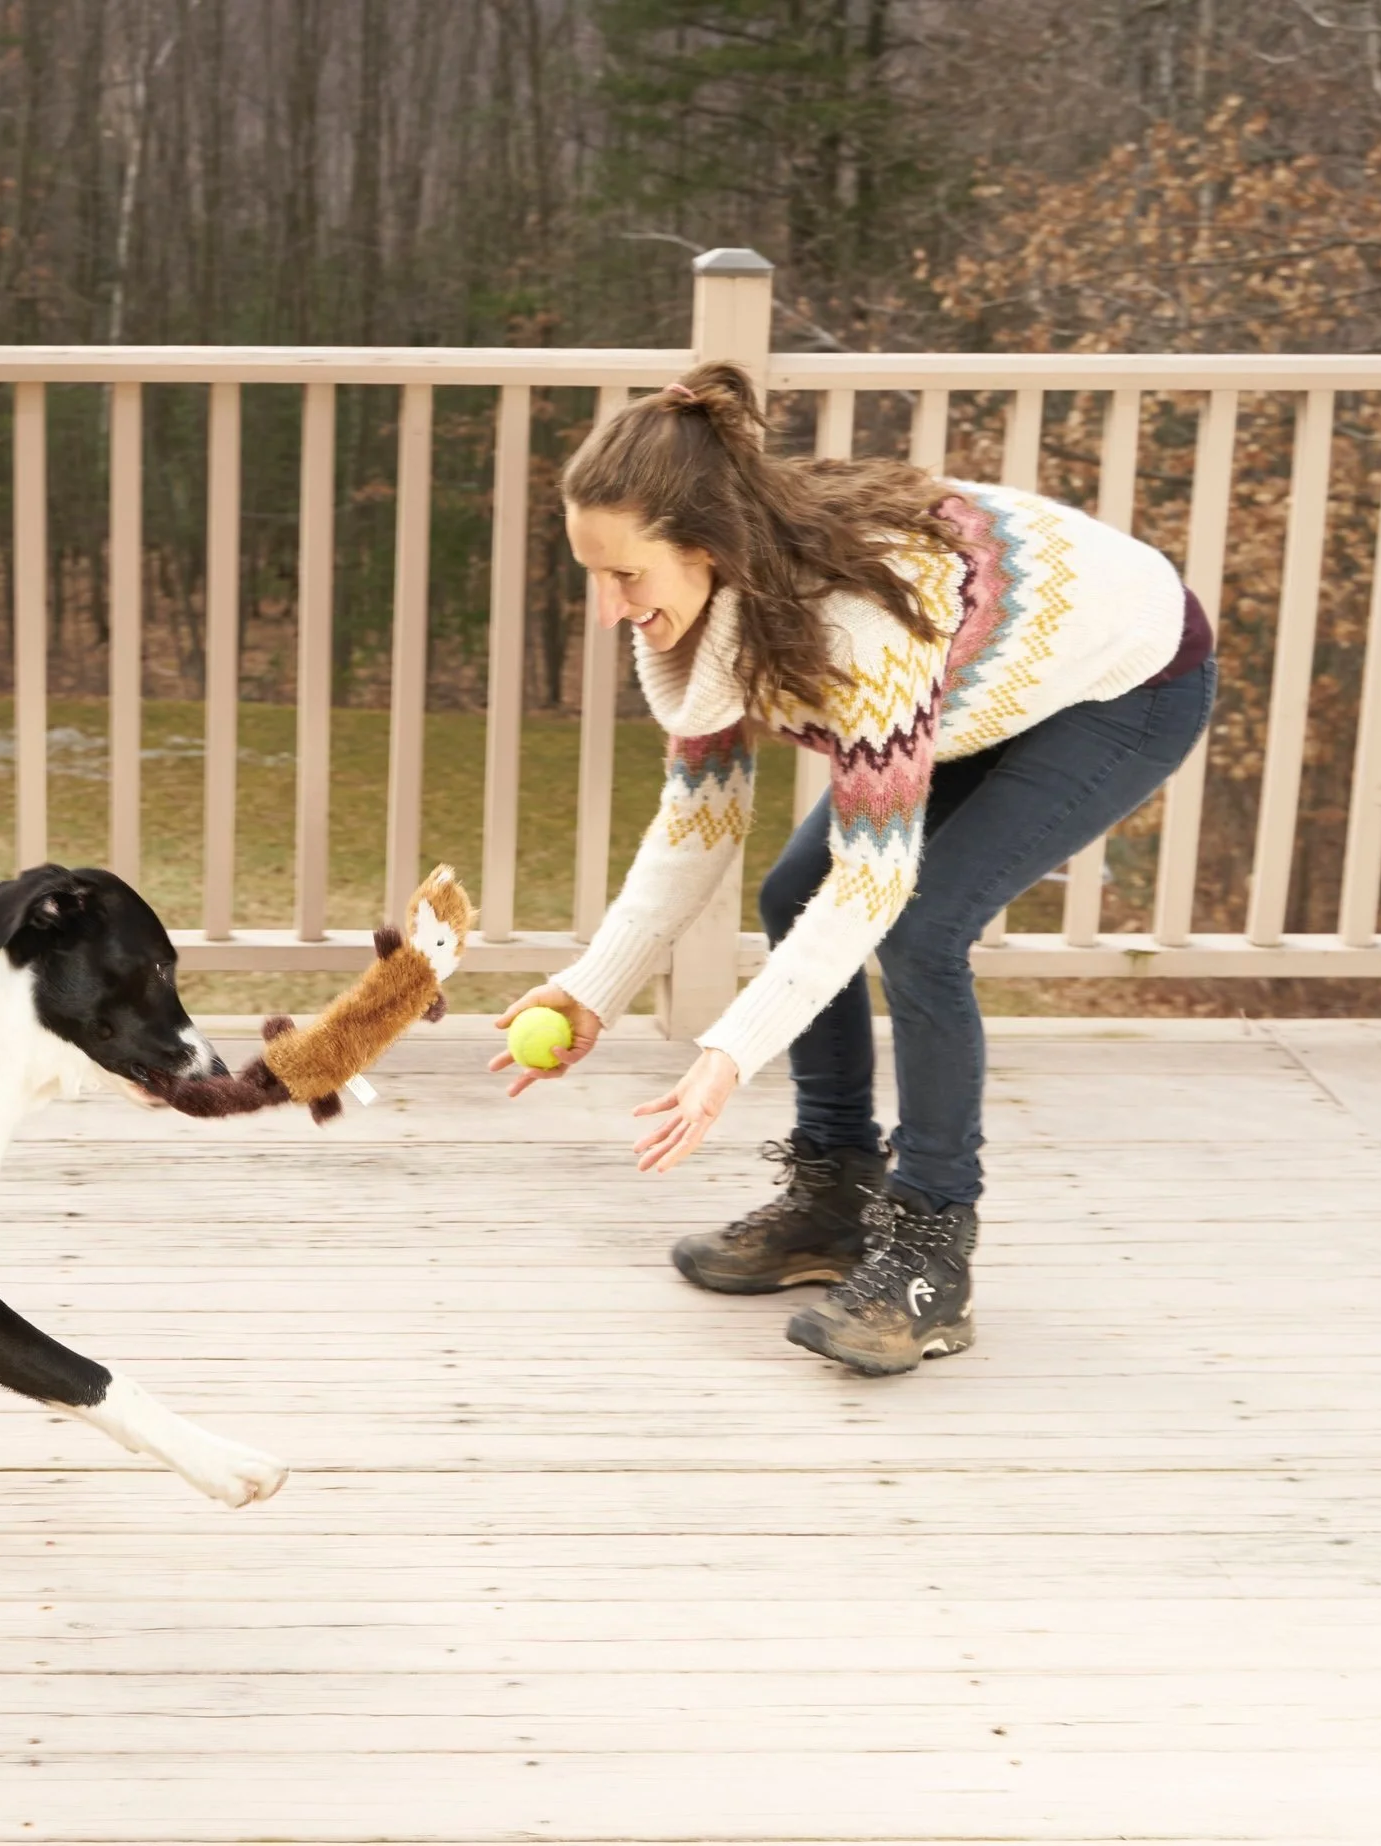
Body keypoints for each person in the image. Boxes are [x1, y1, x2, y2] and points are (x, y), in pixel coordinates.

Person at [491, 362, 1216, 1376]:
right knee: (793, 890)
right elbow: (699, 826)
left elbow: (873, 884)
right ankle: (835, 1194)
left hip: (1123, 678)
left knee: (920, 926)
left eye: (626, 576)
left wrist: (728, 1053)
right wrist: (591, 991)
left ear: (705, 549)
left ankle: (930, 1249)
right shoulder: (704, 620)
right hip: (974, 691)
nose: (608, 609)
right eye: (593, 575)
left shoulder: (854, 625)